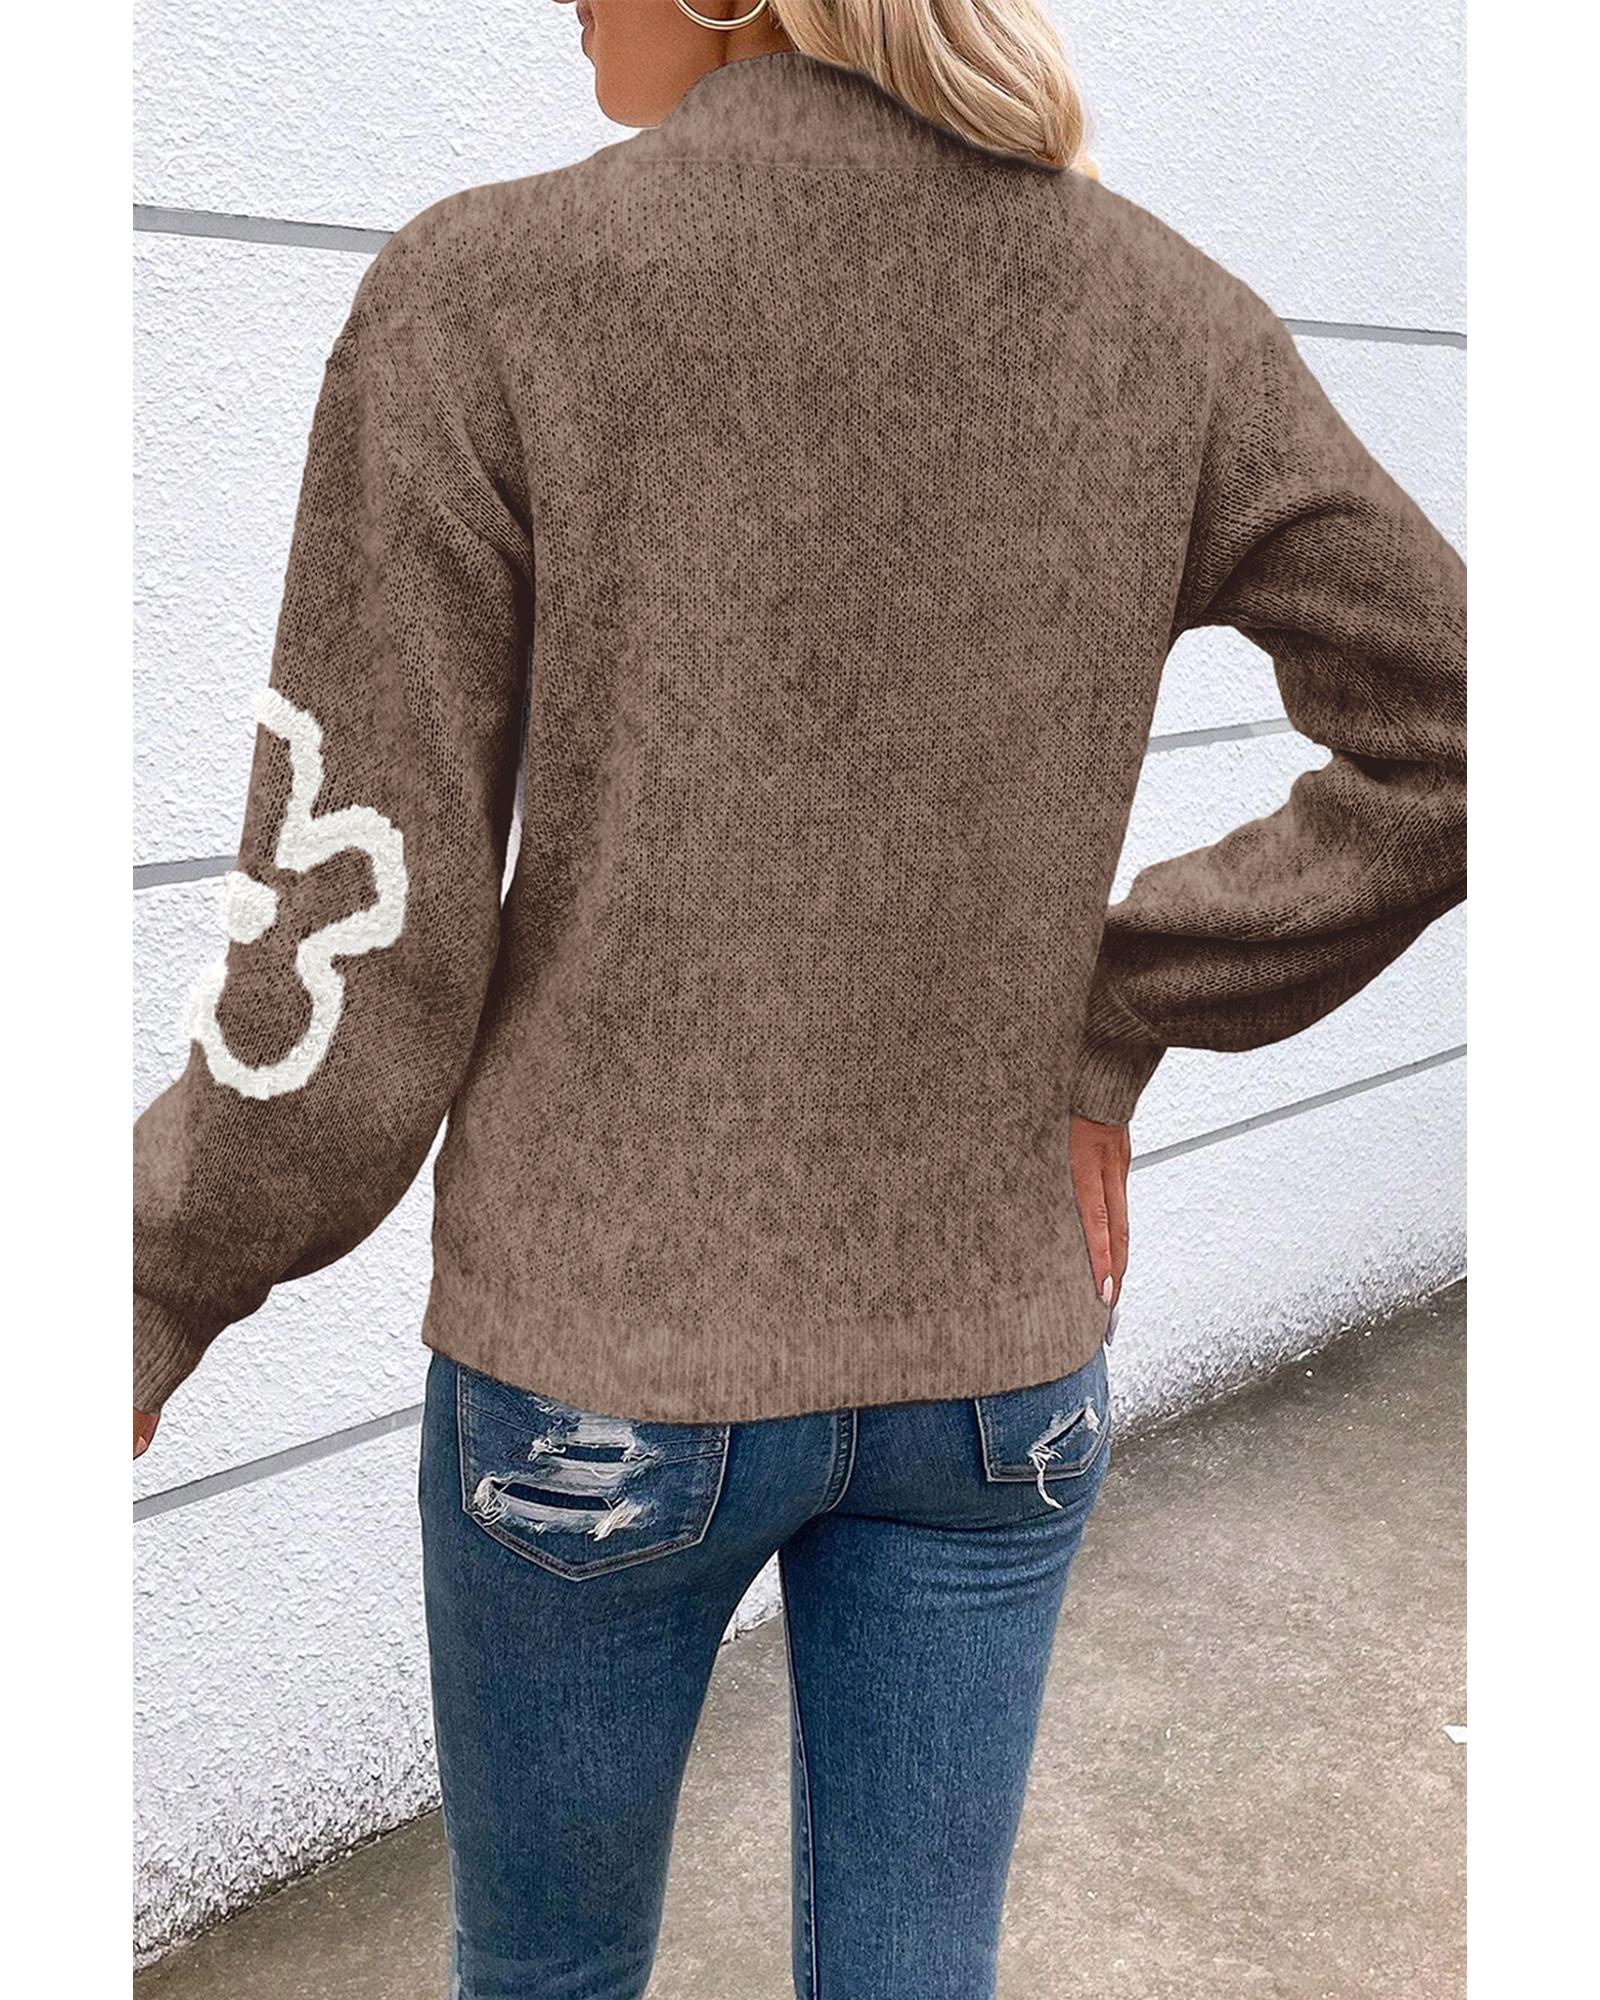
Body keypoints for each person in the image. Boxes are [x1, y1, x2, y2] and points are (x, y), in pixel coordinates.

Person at [132, 3, 1466, 1995]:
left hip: (595, 1369)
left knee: (550, 1976)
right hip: (992, 1376)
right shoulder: (1169, 321)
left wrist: (158, 1274)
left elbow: (365, 924)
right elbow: (1472, 730)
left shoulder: (485, 294)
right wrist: (1108, 1017)